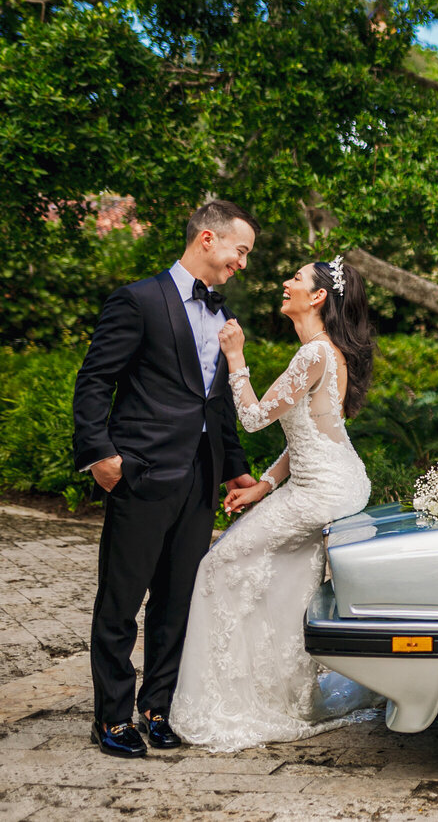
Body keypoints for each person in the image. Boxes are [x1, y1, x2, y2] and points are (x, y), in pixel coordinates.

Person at [169, 254, 382, 751]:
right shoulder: (328, 353)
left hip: (320, 492)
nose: (285, 283)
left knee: (219, 565)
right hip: (340, 482)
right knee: (290, 580)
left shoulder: (314, 354)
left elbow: (253, 417)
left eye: (296, 279)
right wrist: (264, 484)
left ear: (317, 297)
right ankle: (283, 692)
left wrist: (236, 358)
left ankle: (232, 701)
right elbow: (308, 433)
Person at [73, 200, 261, 758]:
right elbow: (94, 380)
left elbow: (216, 402)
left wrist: (234, 467)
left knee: (176, 602)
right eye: (240, 251)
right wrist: (100, 453)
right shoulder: (138, 300)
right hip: (143, 474)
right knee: (120, 602)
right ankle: (111, 717)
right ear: (208, 239)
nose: (242, 263)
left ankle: (157, 708)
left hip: (200, 480)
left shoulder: (221, 316)